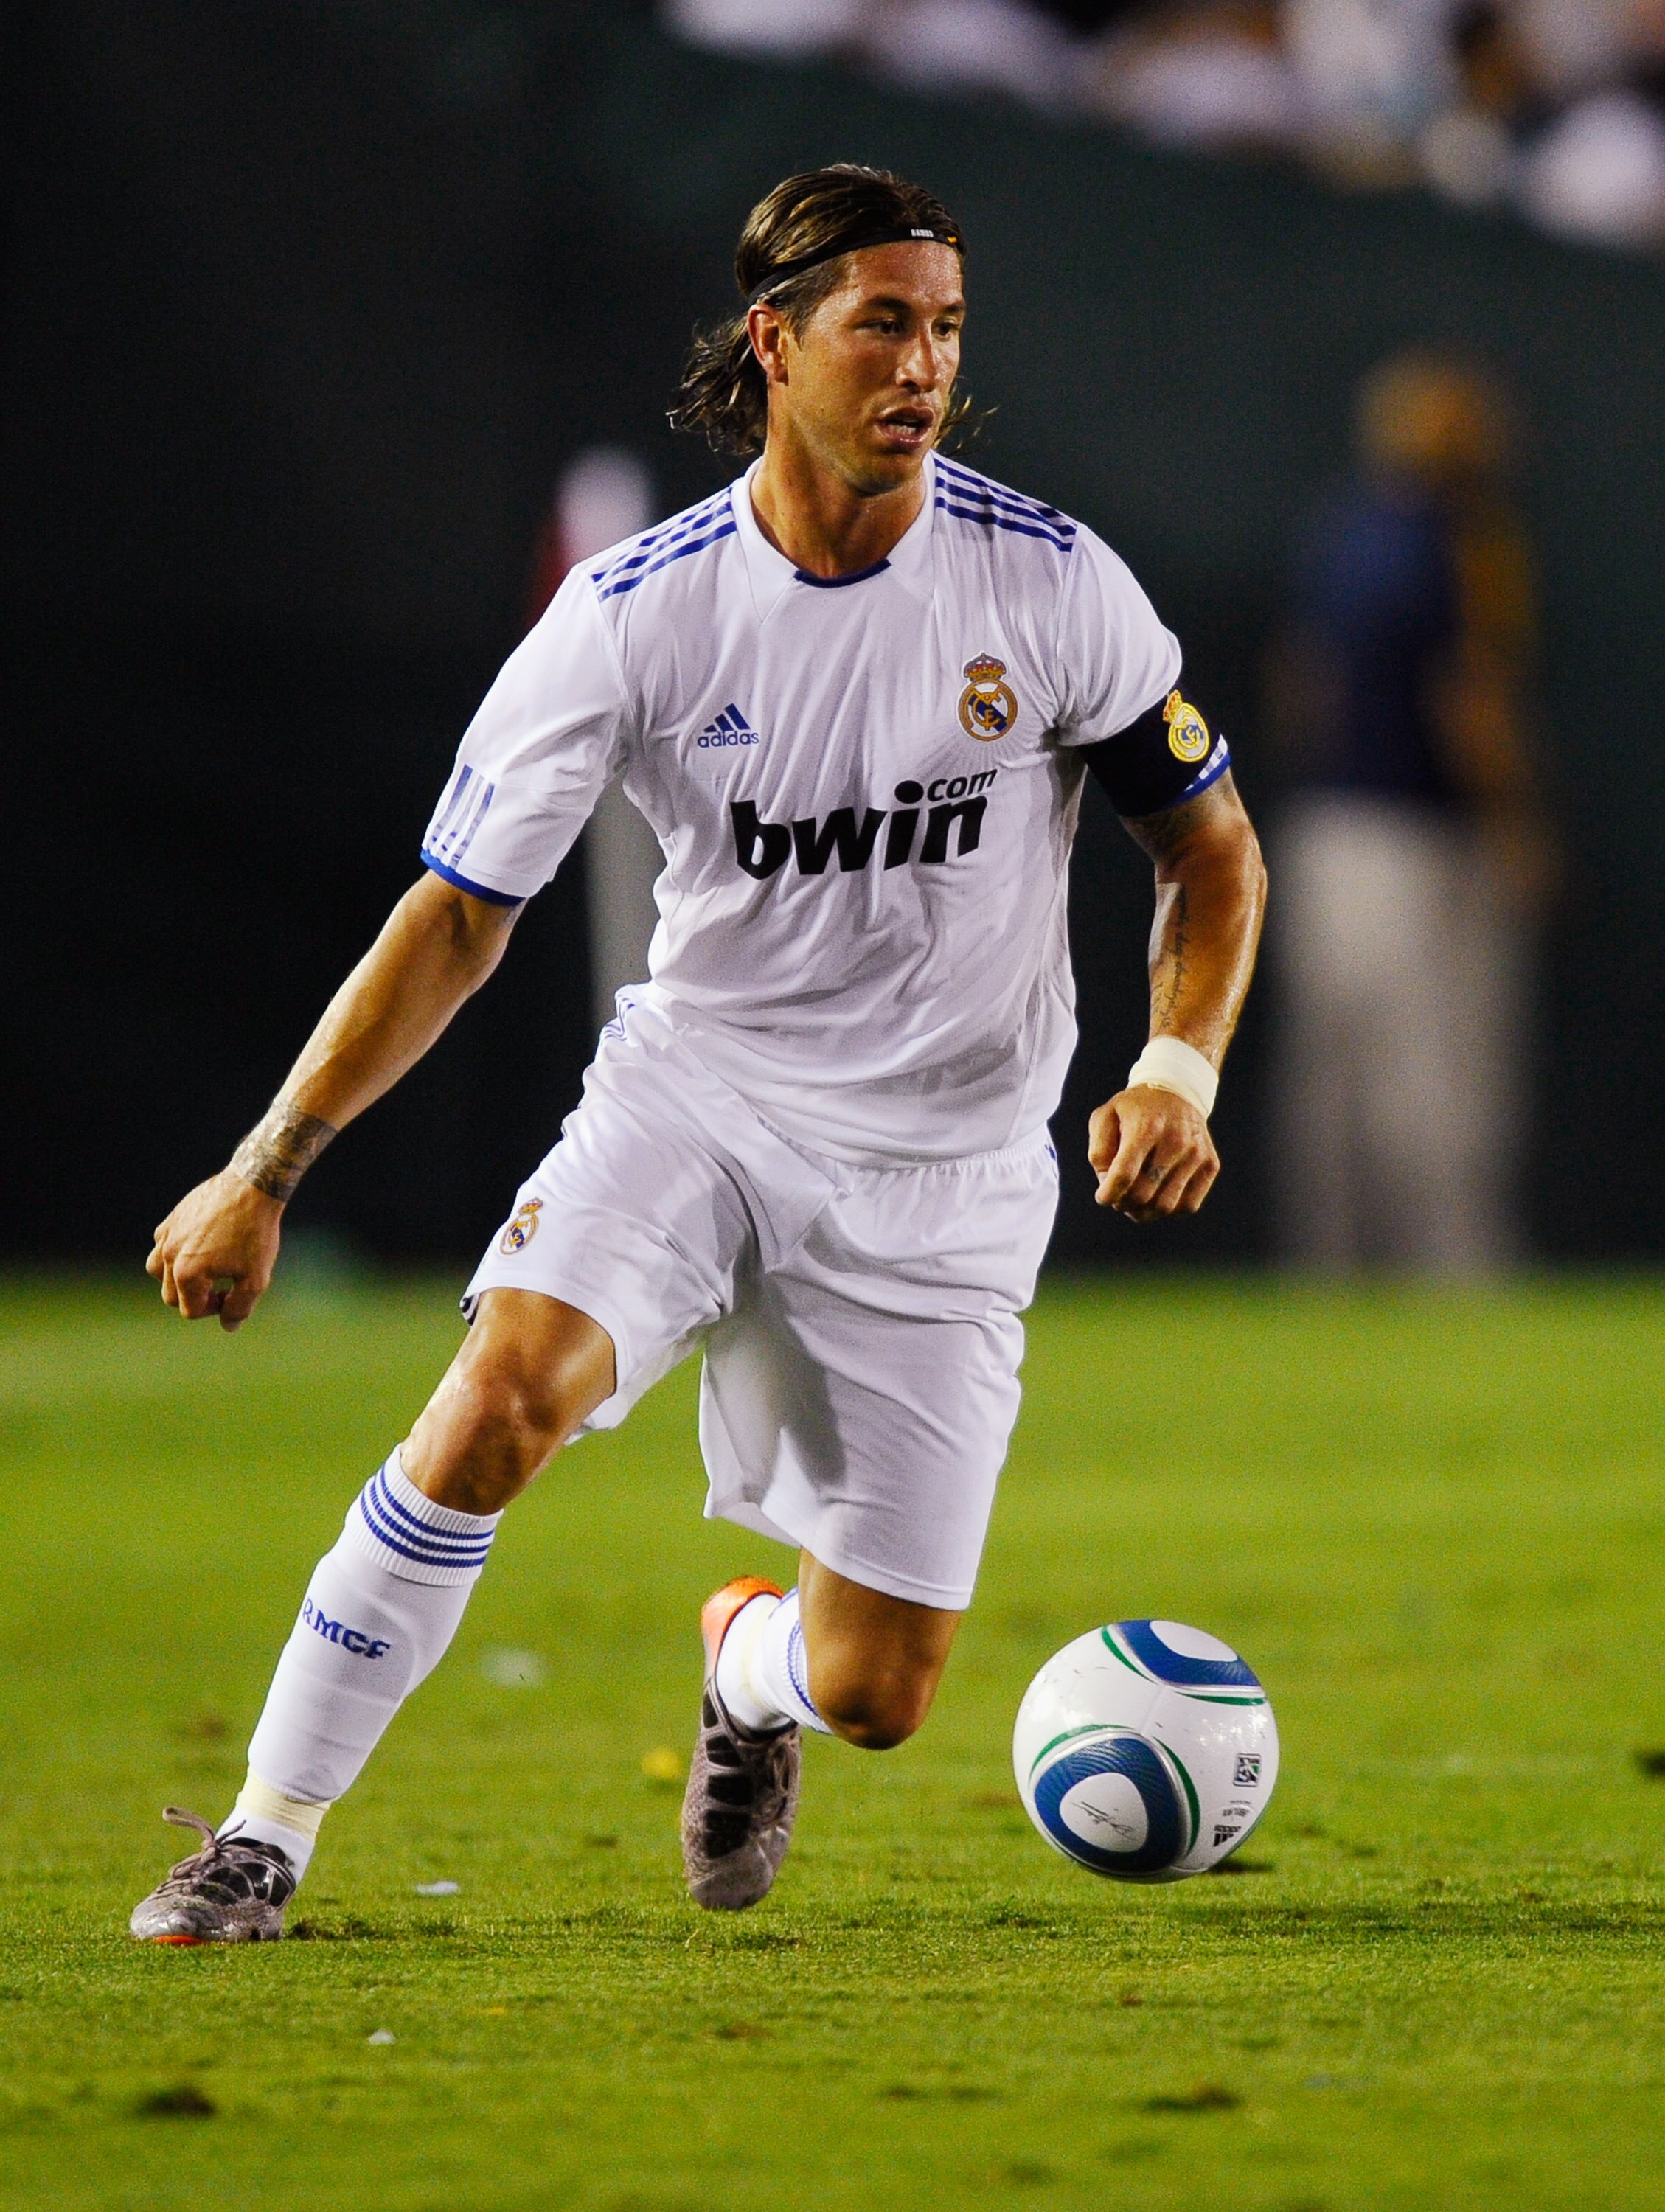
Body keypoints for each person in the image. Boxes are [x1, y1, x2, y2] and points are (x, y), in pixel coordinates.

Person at [130, 165, 1266, 1942]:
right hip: (702, 1104)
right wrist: (267, 1162)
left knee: (877, 1685)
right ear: (775, 340)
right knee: (498, 1403)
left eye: (945, 327)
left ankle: (744, 1667)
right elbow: (455, 912)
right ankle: (261, 1833)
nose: (922, 365)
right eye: (882, 322)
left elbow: (1207, 850)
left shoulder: (1049, 582)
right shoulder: (633, 614)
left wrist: (1174, 1067)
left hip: (949, 1169)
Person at [1266, 350, 1555, 1273]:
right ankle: (1452, 1275)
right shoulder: (1452, 540)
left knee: (1335, 1075)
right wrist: (1515, 825)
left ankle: (1330, 1277)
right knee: (1441, 1073)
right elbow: (1467, 695)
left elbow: (1297, 687)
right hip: (1420, 841)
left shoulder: (1338, 532)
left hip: (1327, 833)